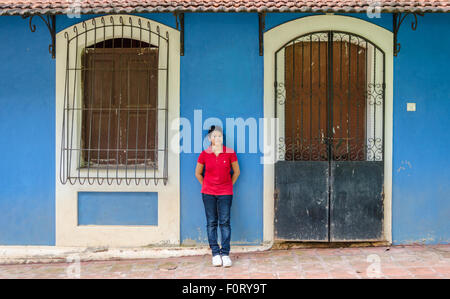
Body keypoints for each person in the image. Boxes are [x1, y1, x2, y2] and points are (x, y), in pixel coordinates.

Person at [195, 125, 240, 267]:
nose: (217, 138)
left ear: (222, 137)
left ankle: (225, 254)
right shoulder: (204, 154)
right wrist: (206, 186)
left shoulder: (230, 153)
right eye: (214, 136)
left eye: (219, 136)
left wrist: (228, 185)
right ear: (209, 138)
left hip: (225, 193)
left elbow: (237, 172)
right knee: (211, 222)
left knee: (225, 222)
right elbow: (197, 173)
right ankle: (215, 253)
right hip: (208, 193)